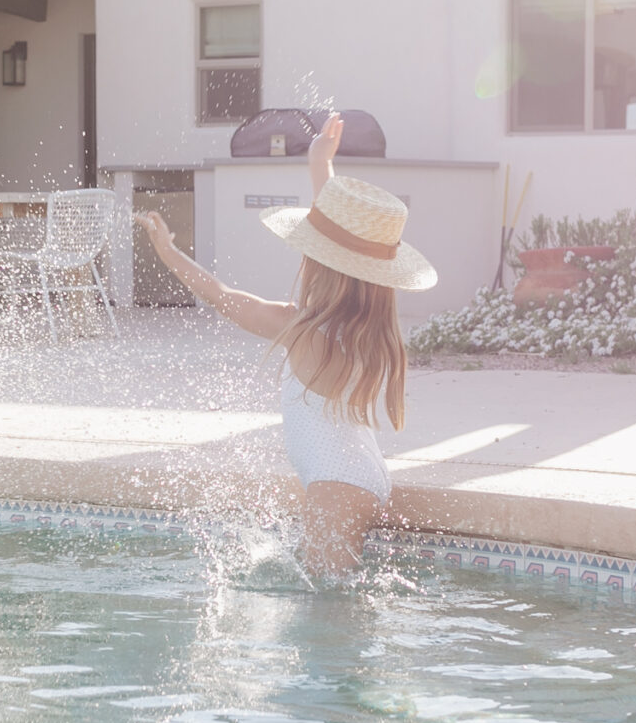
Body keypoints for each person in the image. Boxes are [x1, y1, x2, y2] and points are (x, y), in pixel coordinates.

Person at [134, 113, 436, 573]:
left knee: (327, 624)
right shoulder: (369, 331)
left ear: (321, 264)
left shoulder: (301, 328)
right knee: (335, 604)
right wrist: (320, 166)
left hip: (335, 491)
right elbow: (343, 249)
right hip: (362, 477)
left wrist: (169, 253)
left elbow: (223, 298)